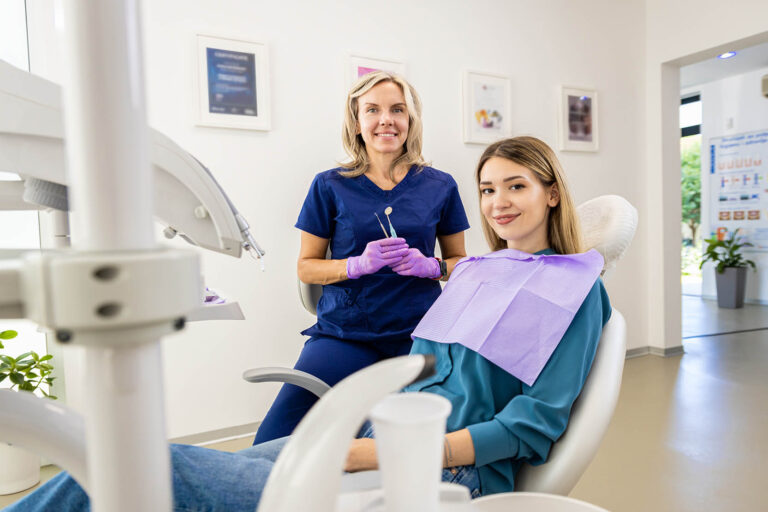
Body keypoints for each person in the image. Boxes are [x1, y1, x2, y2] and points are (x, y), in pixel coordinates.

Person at [8, 136, 611, 510]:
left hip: (444, 470)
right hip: (376, 436)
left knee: (140, 468)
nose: (497, 202)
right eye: (486, 189)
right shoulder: (479, 270)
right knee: (150, 466)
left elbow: (531, 429)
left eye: (516, 186)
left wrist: (374, 454)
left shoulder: (577, 293)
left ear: (552, 192)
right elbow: (427, 369)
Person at [253, 71, 469, 444]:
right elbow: (306, 266)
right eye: (373, 110)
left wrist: (432, 265)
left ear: (410, 121)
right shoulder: (329, 185)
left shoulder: (441, 186)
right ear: (357, 122)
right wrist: (355, 265)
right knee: (278, 436)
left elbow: (461, 265)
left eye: (397, 110)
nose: (386, 119)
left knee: (437, 434)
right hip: (346, 334)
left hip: (420, 336)